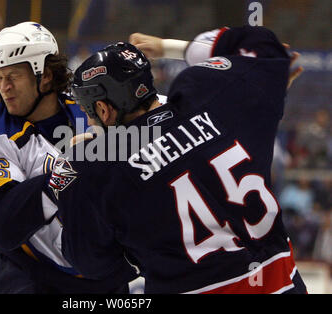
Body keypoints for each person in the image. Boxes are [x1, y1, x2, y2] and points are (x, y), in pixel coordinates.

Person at [47, 25, 308, 293]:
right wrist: (170, 48)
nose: (89, 121)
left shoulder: (93, 163)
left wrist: (70, 169)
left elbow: (91, 264)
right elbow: (265, 47)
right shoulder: (213, 97)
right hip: (283, 284)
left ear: (103, 109)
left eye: (89, 112)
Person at [0, 22, 136, 293]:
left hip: (103, 281)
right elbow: (4, 225)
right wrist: (68, 169)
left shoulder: (95, 109)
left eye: (14, 76)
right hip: (25, 275)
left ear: (45, 75)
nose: (4, 87)